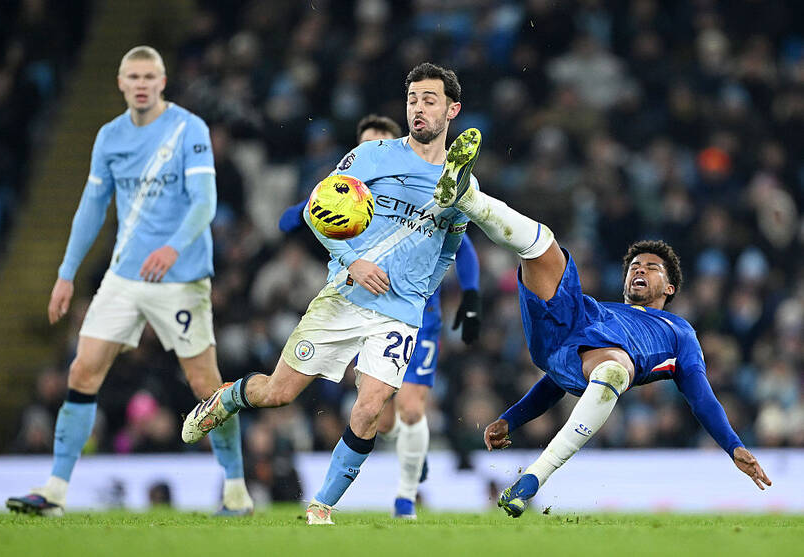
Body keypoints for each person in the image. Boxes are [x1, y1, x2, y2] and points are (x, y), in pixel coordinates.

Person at [182, 62, 481, 525]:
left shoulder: (461, 184)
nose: (418, 109)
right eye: (413, 100)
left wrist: (423, 291)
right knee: (278, 394)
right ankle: (229, 398)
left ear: (452, 109)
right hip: (345, 297)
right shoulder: (374, 156)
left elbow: (451, 246)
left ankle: (320, 506)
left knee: (371, 410)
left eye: (430, 100)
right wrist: (353, 262)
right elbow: (316, 212)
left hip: (400, 313)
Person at [433, 141, 772, 517]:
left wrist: (733, 445)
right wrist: (512, 418)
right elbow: (554, 380)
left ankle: (531, 480)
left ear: (671, 288)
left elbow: (701, 398)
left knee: (613, 368)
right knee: (542, 245)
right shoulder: (603, 309)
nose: (640, 269)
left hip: (598, 364)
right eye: (634, 266)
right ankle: (465, 197)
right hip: (568, 324)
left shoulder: (680, 332)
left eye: (651, 267)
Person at [6, 46, 252, 517]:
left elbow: (205, 202)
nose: (141, 84)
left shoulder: (189, 129)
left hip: (181, 278)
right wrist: (65, 274)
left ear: (162, 82)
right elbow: (91, 208)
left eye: (149, 76)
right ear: (121, 84)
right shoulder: (110, 137)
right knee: (81, 372)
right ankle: (55, 492)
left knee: (207, 385)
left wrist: (172, 248)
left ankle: (236, 489)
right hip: (124, 276)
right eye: (132, 76)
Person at [277, 113, 482, 519]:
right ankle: (411, 453)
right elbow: (289, 222)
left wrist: (471, 294)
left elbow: (462, 245)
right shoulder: (354, 189)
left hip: (417, 310)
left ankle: (406, 497)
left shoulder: (427, 183)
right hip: (359, 301)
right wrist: (317, 203)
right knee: (382, 419)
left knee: (410, 408)